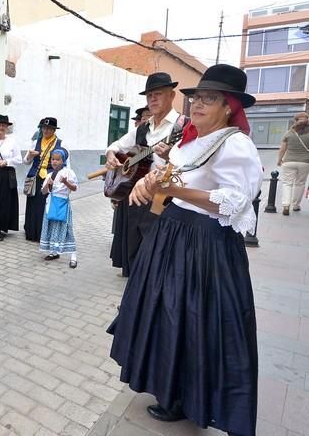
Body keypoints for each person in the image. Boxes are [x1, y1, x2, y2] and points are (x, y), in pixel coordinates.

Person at [108, 64, 262, 436]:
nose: (199, 104)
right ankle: (169, 389)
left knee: (193, 319)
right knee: (164, 313)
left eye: (210, 98)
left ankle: (189, 398)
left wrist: (174, 191)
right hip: (172, 233)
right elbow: (165, 173)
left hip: (204, 244)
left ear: (229, 107)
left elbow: (234, 202)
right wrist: (148, 182)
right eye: (196, 97)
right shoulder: (190, 140)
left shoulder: (234, 144)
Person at [106, 72, 183, 277]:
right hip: (136, 199)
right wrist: (111, 155)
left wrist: (169, 158)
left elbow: (189, 166)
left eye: (158, 94)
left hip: (164, 200)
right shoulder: (143, 128)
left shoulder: (183, 126)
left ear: (172, 95)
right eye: (149, 96)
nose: (153, 99)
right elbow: (115, 145)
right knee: (134, 252)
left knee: (156, 256)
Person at [23, 117, 62, 242]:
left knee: (46, 206)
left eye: (49, 128)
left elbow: (66, 164)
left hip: (50, 178)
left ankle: (44, 234)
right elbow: (25, 162)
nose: (46, 130)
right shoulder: (35, 142)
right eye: (44, 128)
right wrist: (30, 155)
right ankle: (31, 232)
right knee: (33, 205)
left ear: (54, 130)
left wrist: (61, 179)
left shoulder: (61, 143)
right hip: (35, 177)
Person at [39, 148, 77, 268]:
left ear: (63, 160)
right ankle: (53, 252)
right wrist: (48, 184)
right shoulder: (50, 175)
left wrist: (66, 182)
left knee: (67, 229)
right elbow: (44, 192)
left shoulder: (69, 172)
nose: (54, 162)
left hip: (63, 204)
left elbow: (75, 188)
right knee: (52, 227)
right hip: (51, 203)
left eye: (58, 159)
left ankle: (73, 256)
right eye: (53, 159)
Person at [277, 111, 309, 215]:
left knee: (287, 183)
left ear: (295, 121)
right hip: (305, 162)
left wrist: (279, 160)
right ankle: (296, 205)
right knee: (300, 184)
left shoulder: (288, 133)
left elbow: (282, 149)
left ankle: (286, 205)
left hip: (289, 161)